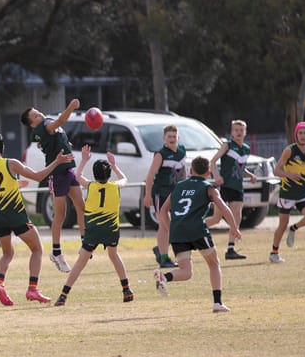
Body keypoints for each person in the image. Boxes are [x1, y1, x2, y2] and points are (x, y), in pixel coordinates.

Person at [0, 132, 74, 306]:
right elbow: (38, 176)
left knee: (7, 253)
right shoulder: (11, 163)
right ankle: (32, 288)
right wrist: (57, 161)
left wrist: (13, 186)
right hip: (16, 214)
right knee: (37, 248)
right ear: (2, 147)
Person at [152, 156, 240, 313]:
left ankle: (165, 277)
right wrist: (234, 227)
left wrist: (171, 228)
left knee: (186, 272)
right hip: (198, 230)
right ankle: (217, 303)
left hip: (178, 233)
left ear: (191, 171)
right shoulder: (209, 188)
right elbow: (224, 208)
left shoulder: (178, 187)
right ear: (208, 173)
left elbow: (163, 211)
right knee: (214, 264)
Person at [54, 145, 134, 306]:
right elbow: (125, 179)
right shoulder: (115, 186)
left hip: (93, 231)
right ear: (109, 174)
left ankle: (64, 294)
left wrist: (83, 160)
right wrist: (114, 165)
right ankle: (126, 289)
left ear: (95, 175)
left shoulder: (91, 186)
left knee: (81, 262)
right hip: (111, 230)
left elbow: (78, 175)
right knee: (114, 256)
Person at [20, 98, 85, 273]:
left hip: (68, 170)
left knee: (81, 207)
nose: (39, 113)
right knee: (61, 213)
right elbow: (60, 122)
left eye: (37, 111)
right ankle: (56, 252)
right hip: (57, 174)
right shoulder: (44, 127)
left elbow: (56, 134)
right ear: (32, 124)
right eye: (35, 115)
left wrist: (64, 143)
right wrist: (71, 107)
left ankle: (85, 243)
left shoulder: (45, 124)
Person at [205, 120, 258, 260]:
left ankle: (230, 248)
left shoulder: (246, 148)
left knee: (237, 216)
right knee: (217, 219)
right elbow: (212, 162)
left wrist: (250, 175)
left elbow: (240, 166)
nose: (239, 132)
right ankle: (193, 227)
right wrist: (217, 176)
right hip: (224, 186)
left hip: (237, 187)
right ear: (232, 132)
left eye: (241, 130)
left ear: (245, 132)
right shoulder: (227, 145)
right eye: (236, 130)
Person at [270, 122, 305, 263]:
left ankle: (294, 228)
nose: (302, 136)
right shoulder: (289, 150)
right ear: (296, 134)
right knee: (282, 225)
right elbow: (276, 171)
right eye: (300, 133)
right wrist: (289, 175)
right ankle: (274, 253)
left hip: (303, 193)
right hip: (287, 193)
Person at [143, 124, 187, 269]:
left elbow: (183, 171)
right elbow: (150, 175)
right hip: (160, 193)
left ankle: (160, 250)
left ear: (178, 137)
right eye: (169, 136)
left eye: (174, 136)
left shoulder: (181, 151)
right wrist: (147, 195)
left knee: (173, 225)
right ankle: (163, 258)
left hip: (175, 193)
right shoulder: (161, 154)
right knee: (165, 225)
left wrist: (186, 187)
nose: (172, 139)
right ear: (164, 138)